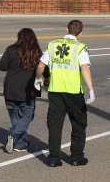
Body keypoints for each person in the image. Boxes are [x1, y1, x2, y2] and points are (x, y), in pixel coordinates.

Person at [35, 20, 95, 167]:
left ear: (67, 30)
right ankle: (76, 157)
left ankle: (54, 158)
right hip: (74, 92)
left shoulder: (53, 44)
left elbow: (41, 65)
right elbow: (85, 69)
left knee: (55, 125)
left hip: (56, 91)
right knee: (78, 124)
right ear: (80, 33)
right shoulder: (80, 48)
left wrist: (37, 79)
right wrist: (91, 90)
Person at [0, 28, 49, 153]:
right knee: (27, 115)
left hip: (10, 88)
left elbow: (1, 66)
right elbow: (45, 69)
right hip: (27, 90)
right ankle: (13, 135)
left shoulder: (11, 49)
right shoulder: (36, 52)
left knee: (15, 116)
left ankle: (19, 145)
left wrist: (13, 65)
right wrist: (47, 78)